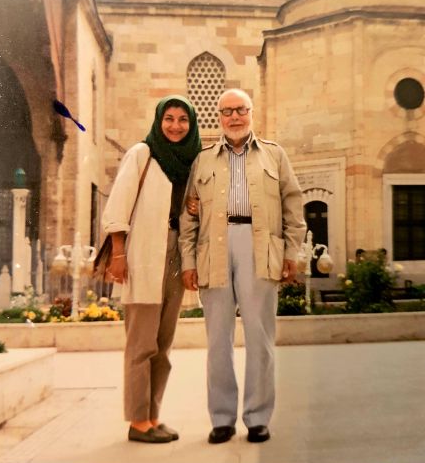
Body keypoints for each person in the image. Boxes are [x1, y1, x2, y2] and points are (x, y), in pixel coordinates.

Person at [179, 89, 306, 444]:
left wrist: (291, 253)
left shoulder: (274, 155)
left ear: (251, 112)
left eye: (240, 110)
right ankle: (221, 418)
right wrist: (188, 261)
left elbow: (293, 207)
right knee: (218, 340)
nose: (234, 117)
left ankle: (258, 417)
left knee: (259, 337)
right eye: (227, 111)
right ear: (218, 117)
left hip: (260, 247)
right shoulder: (203, 160)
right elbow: (188, 217)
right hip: (214, 248)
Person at [102, 95, 201, 444]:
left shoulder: (193, 161)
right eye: (169, 118)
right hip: (143, 255)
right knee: (141, 343)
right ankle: (138, 421)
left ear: (191, 124)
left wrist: (196, 206)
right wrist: (118, 253)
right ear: (159, 121)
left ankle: (153, 416)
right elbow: (118, 205)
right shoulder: (142, 154)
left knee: (163, 345)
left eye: (183, 120)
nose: (176, 126)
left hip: (176, 255)